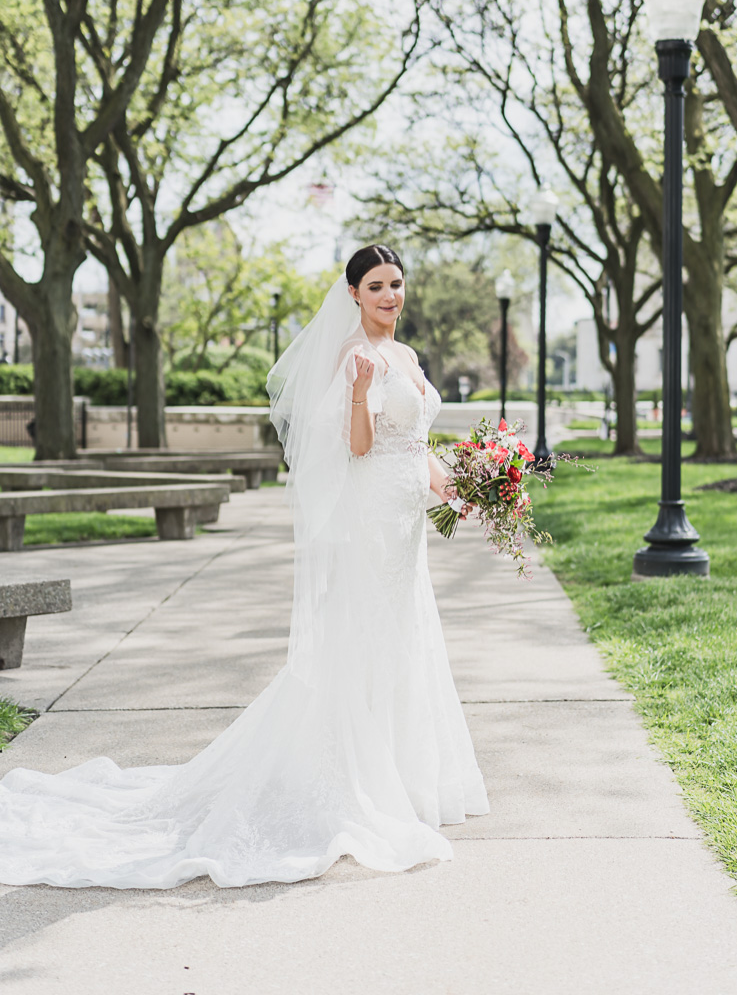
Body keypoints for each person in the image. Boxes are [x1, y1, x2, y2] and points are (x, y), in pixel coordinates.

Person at [0, 244, 488, 888]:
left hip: (406, 528)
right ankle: (356, 782)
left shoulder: (410, 356)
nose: (390, 296)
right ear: (353, 296)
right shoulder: (357, 359)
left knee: (403, 638)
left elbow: (415, 446)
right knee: (362, 640)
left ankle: (401, 775)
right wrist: (361, 394)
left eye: (396, 284)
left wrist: (460, 487)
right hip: (369, 523)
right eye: (376, 286)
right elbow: (362, 447)